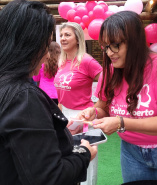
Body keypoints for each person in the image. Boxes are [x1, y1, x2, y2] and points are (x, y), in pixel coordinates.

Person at [78, 11, 157, 183]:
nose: (109, 53)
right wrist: (93, 113)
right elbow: (102, 108)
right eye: (105, 46)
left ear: (134, 42)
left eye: (115, 45)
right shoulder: (109, 73)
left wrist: (121, 123)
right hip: (131, 152)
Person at [0, 1, 97, 185]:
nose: (48, 55)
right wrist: (84, 153)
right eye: (45, 46)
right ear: (28, 45)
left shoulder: (1, 83)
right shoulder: (22, 97)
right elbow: (49, 177)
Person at [54, 22, 102, 185]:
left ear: (78, 38)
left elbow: (107, 82)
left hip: (86, 118)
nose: (62, 38)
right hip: (66, 116)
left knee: (88, 163)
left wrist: (96, 107)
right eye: (61, 35)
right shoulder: (61, 62)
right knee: (68, 159)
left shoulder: (87, 61)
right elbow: (62, 93)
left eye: (67, 35)